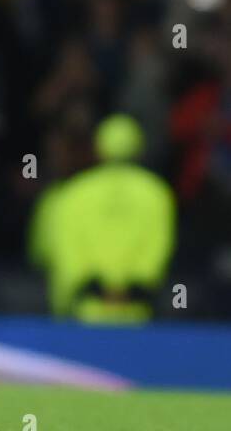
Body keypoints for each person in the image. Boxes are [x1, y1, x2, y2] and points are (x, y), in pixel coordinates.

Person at [29, 114, 177, 323]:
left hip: (82, 309)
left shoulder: (73, 192)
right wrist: (134, 286)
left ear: (98, 147)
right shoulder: (157, 193)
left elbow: (56, 249)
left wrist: (90, 286)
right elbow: (159, 244)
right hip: (138, 308)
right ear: (139, 147)